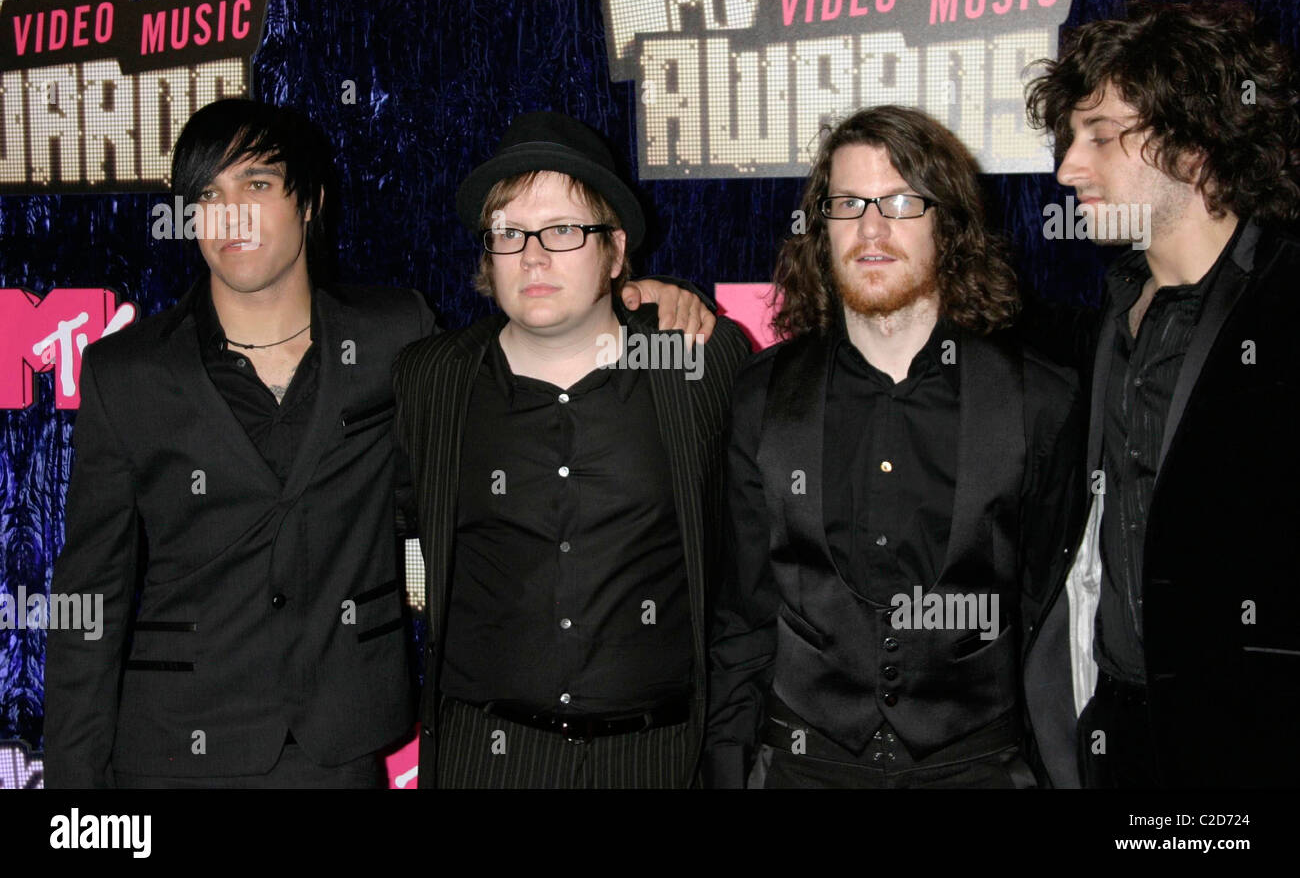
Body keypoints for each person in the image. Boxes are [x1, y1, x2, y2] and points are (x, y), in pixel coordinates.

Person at [42, 98, 713, 788]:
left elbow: (545, 335)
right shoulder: (128, 372)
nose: (231, 214)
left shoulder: (396, 338)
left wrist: (642, 294)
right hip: (172, 749)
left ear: (310, 202)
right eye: (207, 194)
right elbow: (88, 598)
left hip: (342, 749)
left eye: (258, 185)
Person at [705, 105, 1084, 788]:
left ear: (949, 223)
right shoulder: (762, 396)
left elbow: (1048, 615)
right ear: (820, 228)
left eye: (902, 202)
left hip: (980, 770)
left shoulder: (1040, 400)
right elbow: (742, 615)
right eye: (848, 203)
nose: (871, 229)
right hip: (800, 767)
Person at [392, 111, 751, 788]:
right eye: (510, 233)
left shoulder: (699, 364)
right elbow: (396, 527)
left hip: (661, 759)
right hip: (486, 757)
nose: (533, 257)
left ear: (615, 252)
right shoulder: (430, 380)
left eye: (563, 230)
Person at [1023, 0, 1300, 787]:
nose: (1068, 168)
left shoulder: (1286, 306)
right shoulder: (1107, 318)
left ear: (1197, 138)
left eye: (1102, 136)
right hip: (1117, 732)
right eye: (1070, 138)